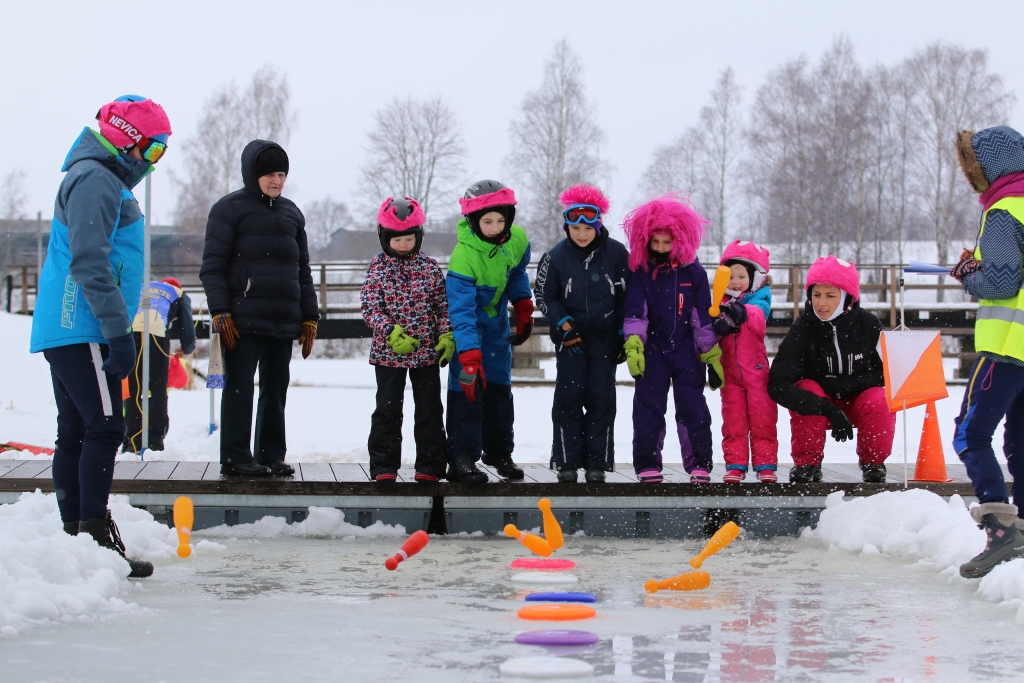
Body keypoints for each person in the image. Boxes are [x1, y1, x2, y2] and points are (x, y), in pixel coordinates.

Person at [29, 95, 172, 577]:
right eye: (152, 151)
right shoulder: (96, 178)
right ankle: (92, 534)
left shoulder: (96, 175)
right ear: (126, 142)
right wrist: (117, 332)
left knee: (75, 432)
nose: (152, 164)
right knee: (106, 428)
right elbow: (90, 261)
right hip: (83, 325)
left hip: (69, 324)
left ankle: (76, 539)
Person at [200, 140, 319, 477]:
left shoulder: (292, 213)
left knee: (275, 386)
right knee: (239, 387)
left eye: (281, 174)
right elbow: (212, 266)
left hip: (284, 319)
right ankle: (236, 457)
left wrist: (310, 315)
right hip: (242, 319)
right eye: (269, 174)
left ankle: (269, 455)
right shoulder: (229, 209)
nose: (276, 180)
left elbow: (303, 270)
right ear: (253, 174)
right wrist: (221, 311)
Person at [948, 125, 1024, 578]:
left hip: (1005, 348)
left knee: (970, 434)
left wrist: (966, 271)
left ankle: (999, 529)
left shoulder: (1004, 212)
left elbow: (999, 283)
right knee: (1019, 441)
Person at [768, 256, 893, 484]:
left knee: (880, 397)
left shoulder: (869, 324)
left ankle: (873, 462)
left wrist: (847, 385)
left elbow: (888, 373)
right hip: (820, 406)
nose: (821, 303)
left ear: (847, 298)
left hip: (859, 404)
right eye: (816, 295)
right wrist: (826, 407)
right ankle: (807, 464)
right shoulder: (803, 328)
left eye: (830, 296)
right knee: (806, 387)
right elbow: (778, 384)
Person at [534, 185, 629, 483]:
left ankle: (597, 463)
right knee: (568, 397)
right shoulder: (554, 257)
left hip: (605, 340)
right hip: (570, 340)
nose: (582, 234)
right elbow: (544, 296)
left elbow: (630, 296)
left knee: (602, 398)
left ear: (598, 225)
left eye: (588, 227)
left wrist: (625, 333)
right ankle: (566, 462)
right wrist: (565, 326)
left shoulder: (617, 253)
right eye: (575, 228)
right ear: (567, 227)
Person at [621, 195, 719, 484]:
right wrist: (634, 343)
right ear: (646, 240)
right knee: (649, 405)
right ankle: (647, 463)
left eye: (668, 242)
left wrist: (709, 352)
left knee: (693, 406)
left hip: (687, 349)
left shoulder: (694, 272)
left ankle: (700, 462)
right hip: (653, 348)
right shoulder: (641, 271)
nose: (662, 248)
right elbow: (636, 310)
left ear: (681, 239)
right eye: (656, 242)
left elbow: (701, 315)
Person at [445, 180, 533, 484]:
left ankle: (498, 452)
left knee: (498, 390)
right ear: (473, 221)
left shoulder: (517, 239)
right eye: (487, 222)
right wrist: (469, 353)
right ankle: (461, 458)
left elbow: (518, 271)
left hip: (497, 328)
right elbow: (460, 310)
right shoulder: (464, 257)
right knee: (467, 390)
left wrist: (522, 304)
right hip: (469, 330)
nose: (496, 228)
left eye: (501, 220)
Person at [361, 197, 454, 483]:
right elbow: (370, 307)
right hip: (389, 354)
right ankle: (383, 464)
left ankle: (430, 465)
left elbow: (443, 305)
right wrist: (389, 331)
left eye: (409, 239)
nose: (403, 245)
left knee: (429, 409)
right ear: (385, 238)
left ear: (419, 237)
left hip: (425, 352)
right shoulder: (377, 267)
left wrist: (446, 334)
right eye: (396, 239)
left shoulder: (429, 267)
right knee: (388, 409)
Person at [712, 240, 779, 483]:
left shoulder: (760, 298)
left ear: (755, 277)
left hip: (756, 372)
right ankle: (735, 464)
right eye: (730, 276)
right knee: (733, 420)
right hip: (730, 374)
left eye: (742, 276)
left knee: (762, 418)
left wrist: (740, 312)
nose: (736, 281)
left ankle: (765, 464)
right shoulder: (720, 302)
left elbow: (759, 317)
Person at [123, 277, 196, 453]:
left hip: (131, 333)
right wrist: (186, 347)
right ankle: (155, 439)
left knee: (133, 387)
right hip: (157, 335)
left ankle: (132, 439)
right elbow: (186, 326)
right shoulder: (179, 293)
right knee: (157, 387)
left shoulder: (142, 287)